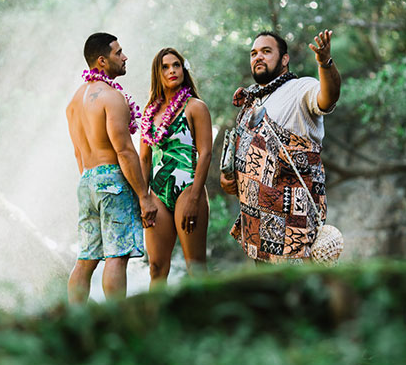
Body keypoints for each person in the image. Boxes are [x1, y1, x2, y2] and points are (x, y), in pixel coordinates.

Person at [220, 29, 341, 262]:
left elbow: (329, 97)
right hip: (257, 228)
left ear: (284, 59)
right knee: (268, 286)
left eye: (266, 51)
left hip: (295, 227)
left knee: (301, 284)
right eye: (254, 53)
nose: (258, 57)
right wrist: (227, 176)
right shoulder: (251, 99)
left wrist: (325, 63)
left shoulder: (300, 88)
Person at [66, 32, 157, 303]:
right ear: (102, 61)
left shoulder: (73, 102)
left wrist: (93, 184)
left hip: (87, 181)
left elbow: (78, 153)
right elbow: (124, 151)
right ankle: (116, 319)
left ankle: (76, 319)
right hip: (113, 181)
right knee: (117, 255)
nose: (125, 57)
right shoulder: (112, 97)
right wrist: (143, 196)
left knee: (86, 259)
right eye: (118, 53)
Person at [140, 47, 212, 286]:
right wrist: (144, 198)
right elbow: (144, 159)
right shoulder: (149, 113)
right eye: (165, 67)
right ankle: (154, 311)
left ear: (183, 69)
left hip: (188, 189)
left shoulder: (195, 107)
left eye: (176, 65)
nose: (172, 70)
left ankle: (205, 311)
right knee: (156, 268)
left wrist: (194, 198)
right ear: (157, 74)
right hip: (157, 194)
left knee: (195, 267)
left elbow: (205, 153)